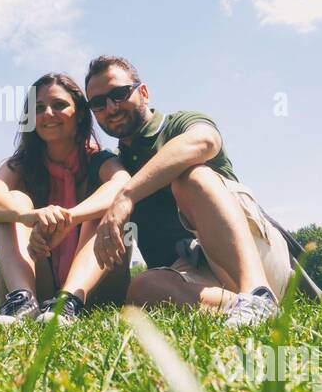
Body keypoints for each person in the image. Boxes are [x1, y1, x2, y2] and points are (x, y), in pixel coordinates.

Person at [85, 55, 302, 327]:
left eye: (118, 93)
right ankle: (246, 308)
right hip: (195, 274)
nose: (110, 107)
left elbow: (205, 141)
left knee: (191, 177)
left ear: (143, 92)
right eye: (98, 103)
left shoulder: (180, 124)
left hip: (255, 257)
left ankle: (258, 293)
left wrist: (127, 195)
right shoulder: (115, 166)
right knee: (144, 288)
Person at [0, 72, 131, 325]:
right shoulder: (21, 164)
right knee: (12, 200)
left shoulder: (100, 160)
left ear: (80, 113)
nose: (48, 114)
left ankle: (68, 302)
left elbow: (123, 185)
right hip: (40, 278)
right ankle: (22, 302)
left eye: (59, 105)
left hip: (96, 286)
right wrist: (28, 216)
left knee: (106, 208)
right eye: (39, 108)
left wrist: (70, 218)